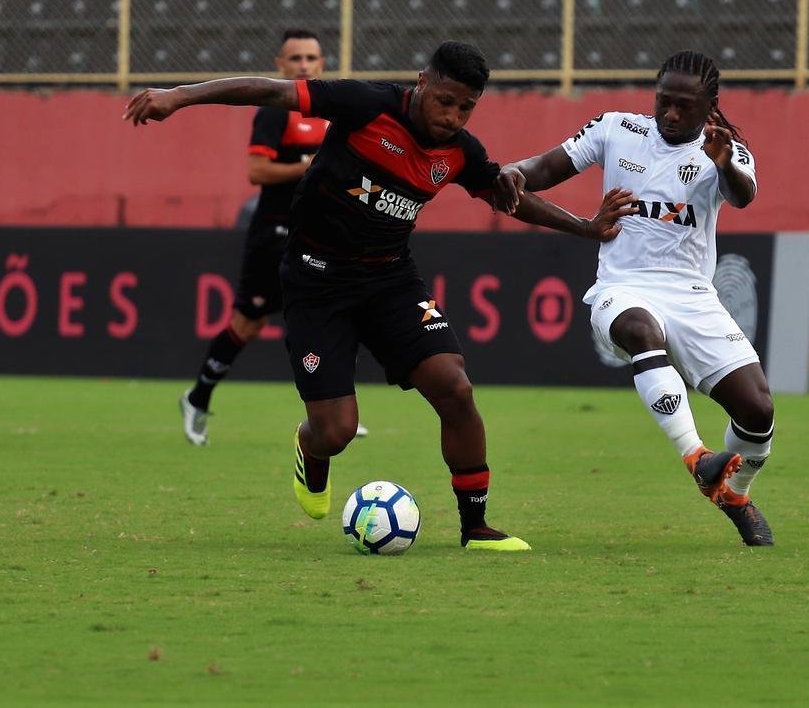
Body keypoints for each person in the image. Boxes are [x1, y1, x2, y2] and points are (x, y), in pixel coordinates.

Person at [126, 40, 634, 551]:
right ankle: (310, 444)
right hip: (315, 280)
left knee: (454, 386)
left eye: (466, 108)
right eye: (446, 101)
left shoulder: (461, 152)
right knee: (338, 430)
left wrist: (586, 228)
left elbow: (512, 199)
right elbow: (269, 91)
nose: (454, 116)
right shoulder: (364, 105)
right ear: (422, 82)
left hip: (390, 280)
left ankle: (475, 527)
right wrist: (180, 96)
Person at [493, 50, 776, 546]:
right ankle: (696, 456)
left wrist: (725, 163)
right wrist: (516, 170)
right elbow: (543, 168)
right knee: (642, 330)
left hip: (692, 295)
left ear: (709, 105)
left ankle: (734, 493)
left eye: (683, 106)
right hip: (621, 288)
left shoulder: (727, 152)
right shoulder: (616, 129)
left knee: (758, 411)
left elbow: (744, 196)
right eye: (663, 101)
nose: (669, 114)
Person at [178, 29, 368, 446]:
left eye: (311, 58)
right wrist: (310, 168)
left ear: (322, 64)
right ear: (280, 65)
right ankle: (197, 397)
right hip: (273, 233)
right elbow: (256, 173)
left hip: (320, 234)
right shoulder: (274, 112)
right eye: (295, 58)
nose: (304, 65)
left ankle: (336, 406)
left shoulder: (334, 112)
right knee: (247, 324)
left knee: (335, 313)